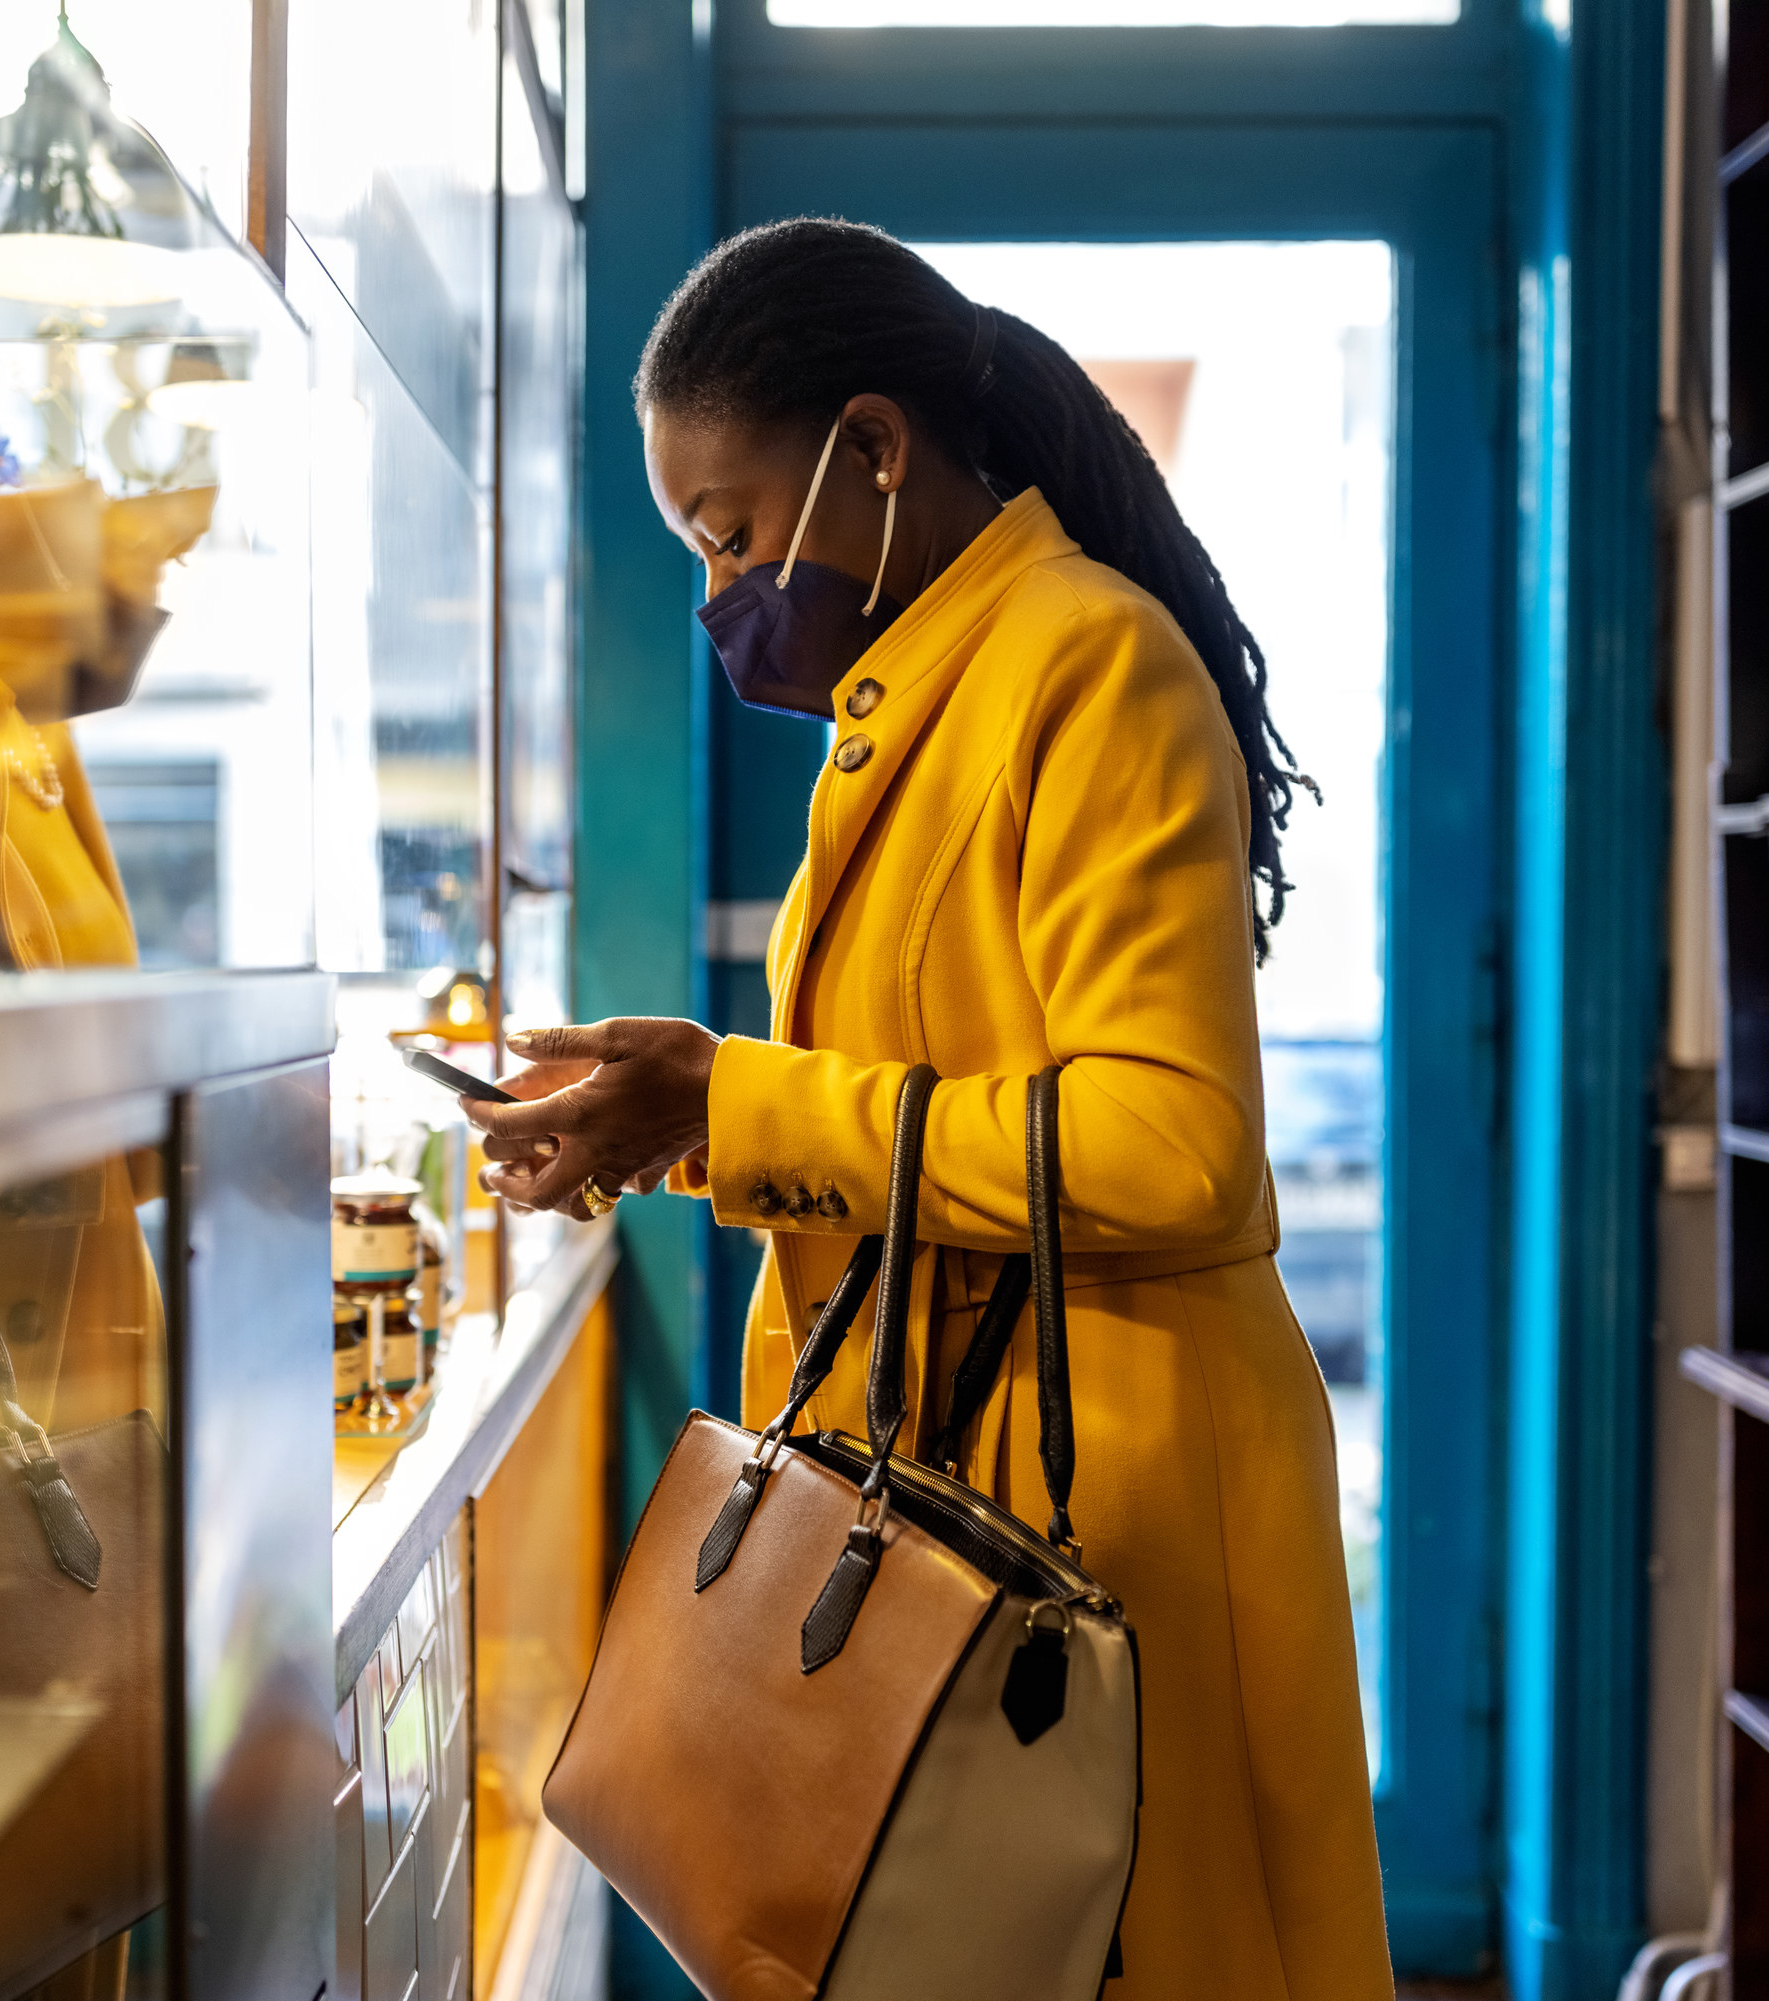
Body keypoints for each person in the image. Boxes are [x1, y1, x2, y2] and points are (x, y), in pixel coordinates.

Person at [469, 218, 1393, 1997]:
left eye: (729, 531)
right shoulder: (925, 697)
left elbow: (1173, 1147)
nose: (721, 589)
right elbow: (916, 1092)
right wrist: (666, 1120)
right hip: (977, 1476)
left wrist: (740, 1099)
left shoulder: (1087, 665)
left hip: (1101, 1505)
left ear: (875, 451)